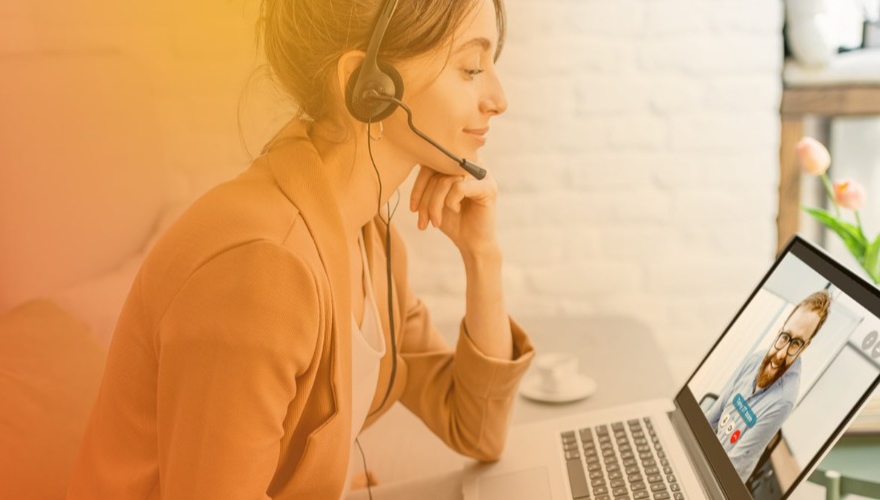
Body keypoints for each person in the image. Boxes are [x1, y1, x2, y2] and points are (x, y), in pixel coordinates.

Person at [66, 0, 535, 498]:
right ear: (368, 85)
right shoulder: (261, 268)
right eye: (470, 68)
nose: (499, 98)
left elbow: (477, 429)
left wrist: (481, 256)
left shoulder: (371, 239)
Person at [703, 290, 832, 481]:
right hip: (708, 456)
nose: (781, 354)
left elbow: (733, 467)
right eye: (785, 336)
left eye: (796, 343)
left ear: (806, 346)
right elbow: (714, 414)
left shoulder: (784, 400)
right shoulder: (755, 359)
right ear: (779, 330)